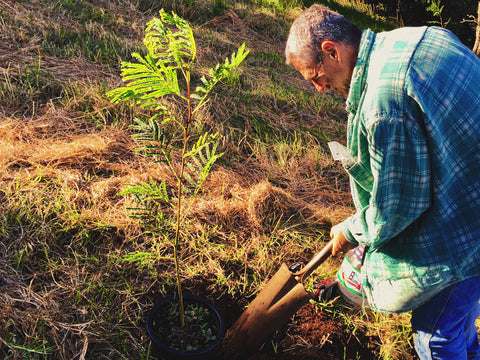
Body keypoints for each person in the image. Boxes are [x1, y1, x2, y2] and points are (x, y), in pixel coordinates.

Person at [285, 4, 480, 360]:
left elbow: (401, 205)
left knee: (436, 336)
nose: (317, 88)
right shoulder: (412, 39)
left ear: (332, 50)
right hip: (468, 185)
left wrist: (352, 229)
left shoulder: (384, 101)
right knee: (459, 322)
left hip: (470, 229)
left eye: (314, 75)